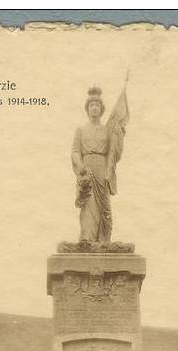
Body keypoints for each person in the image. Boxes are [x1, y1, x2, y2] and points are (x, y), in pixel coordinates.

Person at [71, 84, 129, 244]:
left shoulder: (106, 130)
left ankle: (103, 240)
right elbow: (75, 151)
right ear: (87, 109)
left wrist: (119, 134)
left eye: (97, 105)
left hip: (102, 169)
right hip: (86, 170)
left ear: (101, 109)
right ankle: (87, 239)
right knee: (88, 205)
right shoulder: (80, 130)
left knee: (104, 207)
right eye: (91, 105)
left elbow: (114, 151)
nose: (94, 108)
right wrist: (80, 165)